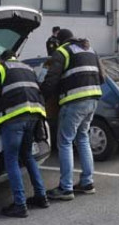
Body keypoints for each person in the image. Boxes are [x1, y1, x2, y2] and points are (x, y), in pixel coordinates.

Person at [0, 50, 49, 218]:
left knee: (11, 158)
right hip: (33, 116)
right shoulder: (28, 68)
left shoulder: (0, 67)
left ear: (3, 58)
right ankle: (41, 197)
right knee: (28, 156)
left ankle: (20, 205)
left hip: (14, 119)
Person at [42, 29, 103, 200]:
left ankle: (66, 188)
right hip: (93, 99)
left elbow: (51, 79)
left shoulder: (62, 51)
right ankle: (87, 183)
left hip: (74, 101)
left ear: (60, 41)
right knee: (83, 138)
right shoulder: (89, 49)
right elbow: (102, 76)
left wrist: (41, 97)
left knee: (65, 142)